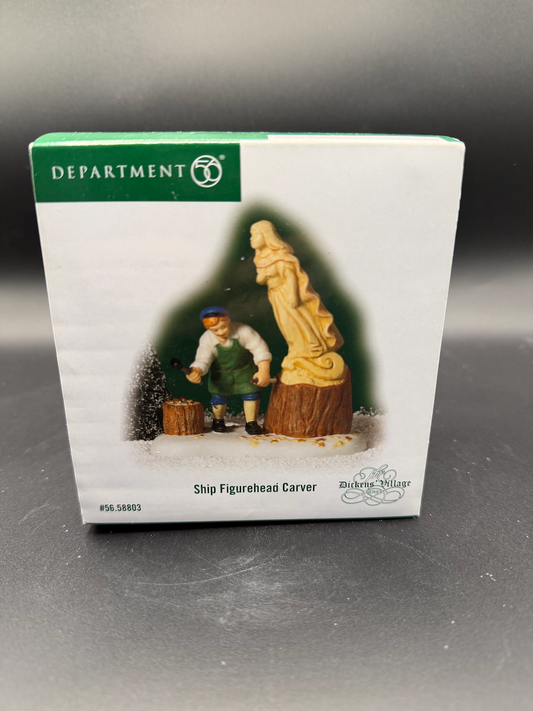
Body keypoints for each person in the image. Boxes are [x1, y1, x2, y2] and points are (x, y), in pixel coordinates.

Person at [250, 220, 346, 386]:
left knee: (298, 320)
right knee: (286, 325)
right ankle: (297, 351)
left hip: (288, 294)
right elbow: (259, 279)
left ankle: (312, 346)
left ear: (266, 236)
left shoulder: (280, 256)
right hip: (276, 296)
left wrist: (294, 295)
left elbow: (291, 276)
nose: (252, 239)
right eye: (251, 235)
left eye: (255, 235)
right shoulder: (260, 259)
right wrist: (264, 277)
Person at [186, 306, 271, 434]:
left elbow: (260, 349)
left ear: (228, 321)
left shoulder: (244, 331)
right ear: (208, 328)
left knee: (251, 395)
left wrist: (264, 370)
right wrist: (196, 371)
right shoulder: (207, 339)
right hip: (221, 375)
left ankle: (251, 423)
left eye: (224, 327)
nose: (221, 332)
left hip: (245, 372)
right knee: (218, 399)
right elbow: (203, 359)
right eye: (215, 330)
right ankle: (218, 420)